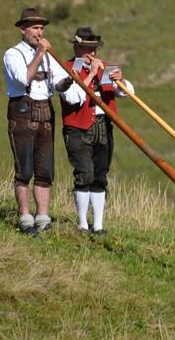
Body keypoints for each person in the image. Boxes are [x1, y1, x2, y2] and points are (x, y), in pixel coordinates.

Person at [3, 7, 73, 236]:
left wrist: (69, 80)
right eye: (34, 27)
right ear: (23, 29)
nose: (39, 32)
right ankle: (25, 217)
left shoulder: (50, 55)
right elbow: (24, 78)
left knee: (45, 169)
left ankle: (43, 217)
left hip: (46, 113)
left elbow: (57, 83)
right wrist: (41, 54)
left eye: (41, 28)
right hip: (22, 111)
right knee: (24, 169)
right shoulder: (13, 54)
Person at [59, 27, 134, 235]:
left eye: (93, 48)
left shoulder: (105, 69)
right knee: (84, 173)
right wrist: (91, 73)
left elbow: (126, 92)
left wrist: (120, 79)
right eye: (86, 48)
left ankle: (99, 225)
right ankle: (82, 224)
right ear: (76, 47)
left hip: (103, 125)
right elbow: (73, 97)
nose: (91, 53)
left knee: (100, 174)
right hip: (77, 128)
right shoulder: (66, 67)